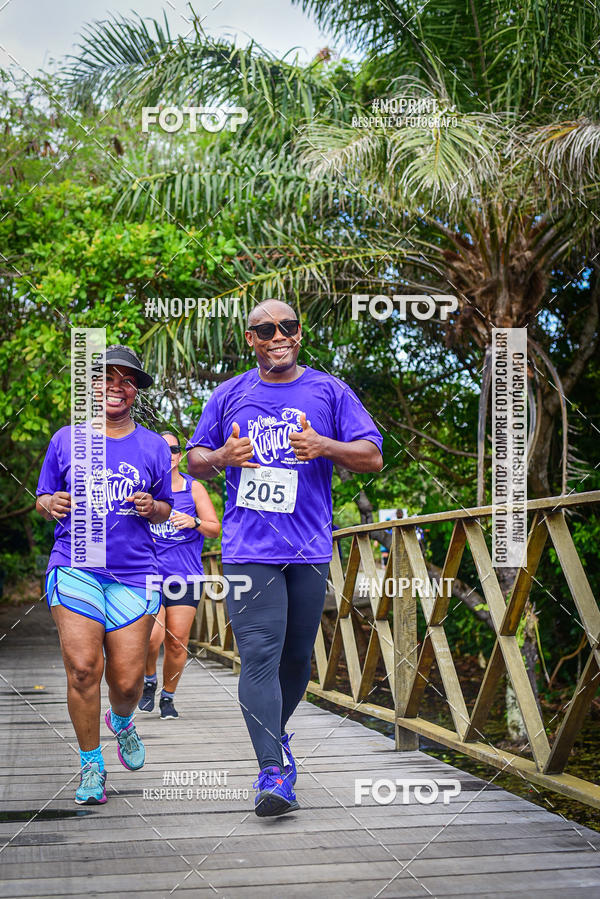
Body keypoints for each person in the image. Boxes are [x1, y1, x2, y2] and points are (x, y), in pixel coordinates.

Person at [187, 299, 383, 817]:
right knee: (258, 653)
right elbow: (193, 459)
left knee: (298, 658)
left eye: (288, 326)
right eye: (265, 329)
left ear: (300, 333)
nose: (279, 335)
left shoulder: (329, 390)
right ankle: (272, 773)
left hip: (309, 548)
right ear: (250, 338)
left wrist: (325, 445)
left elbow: (373, 456)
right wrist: (222, 458)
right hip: (249, 550)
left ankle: (276, 739)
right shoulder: (229, 394)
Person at [35, 345, 173, 805]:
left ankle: (123, 721)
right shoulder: (65, 439)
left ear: (136, 391)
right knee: (81, 669)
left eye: (126, 379)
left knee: (129, 682)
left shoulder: (153, 446)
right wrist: (49, 504)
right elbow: (44, 497)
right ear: (92, 386)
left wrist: (154, 508)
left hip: (134, 572)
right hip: (75, 567)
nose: (116, 385)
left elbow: (165, 507)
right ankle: (91, 766)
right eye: (106, 377)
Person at [139, 432, 220, 719]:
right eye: (163, 448)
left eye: (175, 448)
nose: (170, 453)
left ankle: (168, 698)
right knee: (151, 637)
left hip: (186, 577)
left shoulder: (193, 488)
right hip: (148, 575)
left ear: (181, 454)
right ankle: (149, 680)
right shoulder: (144, 488)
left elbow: (214, 528)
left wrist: (193, 521)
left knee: (177, 641)